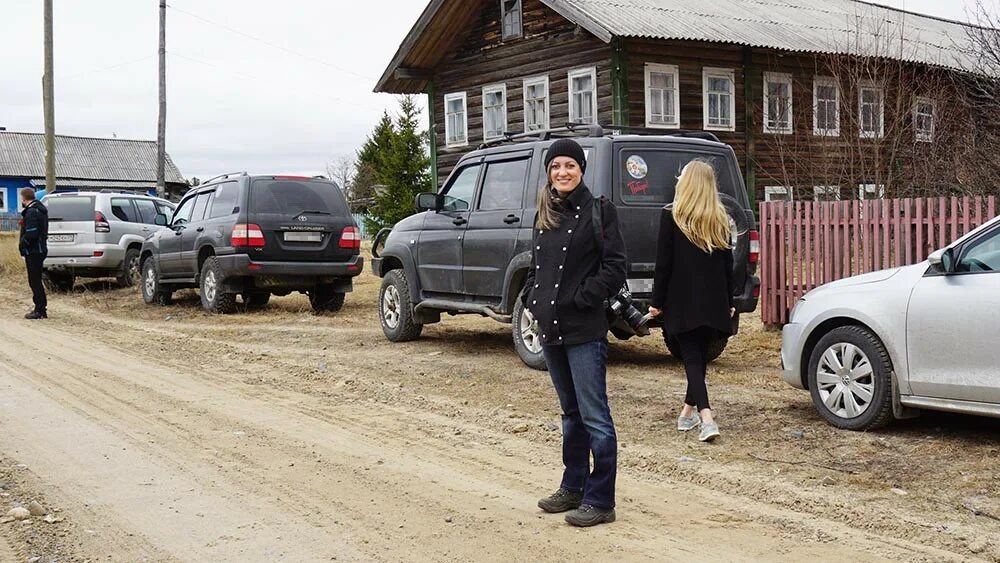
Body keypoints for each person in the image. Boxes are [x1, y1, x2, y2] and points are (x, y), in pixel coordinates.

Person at [523, 138, 627, 527]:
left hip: (585, 329)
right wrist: (533, 300)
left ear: (581, 169)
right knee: (570, 415)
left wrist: (582, 298)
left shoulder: (600, 211)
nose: (562, 173)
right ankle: (573, 486)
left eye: (569, 165)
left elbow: (614, 268)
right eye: (555, 167)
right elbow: (536, 265)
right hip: (551, 330)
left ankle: (601, 500)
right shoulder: (544, 213)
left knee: (594, 415)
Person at [648, 161, 735, 443]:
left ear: (686, 183)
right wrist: (729, 299)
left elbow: (664, 264)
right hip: (712, 301)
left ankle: (705, 418)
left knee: (693, 359)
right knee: (696, 357)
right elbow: (727, 266)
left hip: (682, 300)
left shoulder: (672, 216)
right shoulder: (720, 218)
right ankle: (688, 414)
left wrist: (656, 301)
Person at [19, 188, 49, 320]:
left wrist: (22, 244)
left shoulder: (32, 212)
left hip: (34, 250)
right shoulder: (40, 210)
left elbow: (31, 233)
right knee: (36, 279)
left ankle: (40, 310)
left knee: (34, 280)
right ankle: (40, 307)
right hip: (40, 249)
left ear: (24, 198)